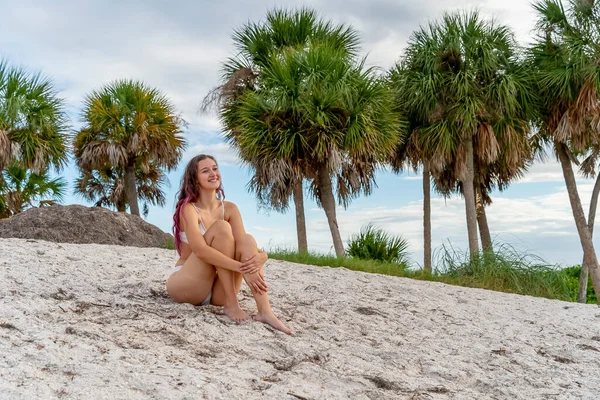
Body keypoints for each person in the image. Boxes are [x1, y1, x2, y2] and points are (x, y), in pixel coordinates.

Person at [166, 154, 292, 335]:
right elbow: (201, 251)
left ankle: (265, 310)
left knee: (247, 239)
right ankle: (232, 304)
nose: (213, 173)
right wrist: (243, 268)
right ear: (194, 178)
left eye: (215, 168)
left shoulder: (230, 208)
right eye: (205, 170)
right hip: (188, 284)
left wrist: (262, 256)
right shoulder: (189, 209)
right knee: (222, 228)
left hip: (218, 291)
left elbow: (244, 246)